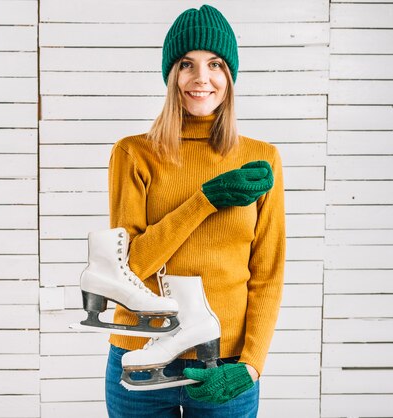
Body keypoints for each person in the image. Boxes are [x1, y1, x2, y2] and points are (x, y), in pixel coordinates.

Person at [104, 5, 286, 418]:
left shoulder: (262, 159)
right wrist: (204, 201)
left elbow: (268, 273)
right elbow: (129, 267)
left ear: (230, 77)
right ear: (172, 75)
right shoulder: (134, 153)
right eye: (187, 64)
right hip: (141, 359)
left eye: (215, 64)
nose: (201, 78)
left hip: (226, 365)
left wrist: (252, 365)